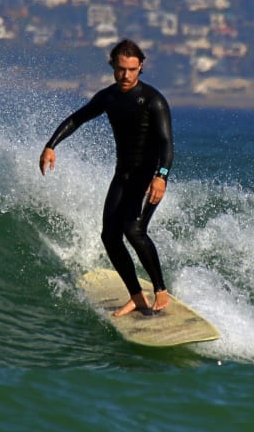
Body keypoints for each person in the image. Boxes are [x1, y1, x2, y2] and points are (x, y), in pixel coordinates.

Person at [39, 39, 174, 315]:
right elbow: (77, 119)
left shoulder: (153, 100)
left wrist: (161, 176)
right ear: (113, 66)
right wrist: (51, 145)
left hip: (149, 179)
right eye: (121, 69)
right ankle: (136, 297)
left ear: (141, 67)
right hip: (122, 176)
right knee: (110, 237)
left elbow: (166, 143)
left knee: (133, 231)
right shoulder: (109, 97)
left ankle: (161, 291)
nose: (126, 75)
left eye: (132, 69)